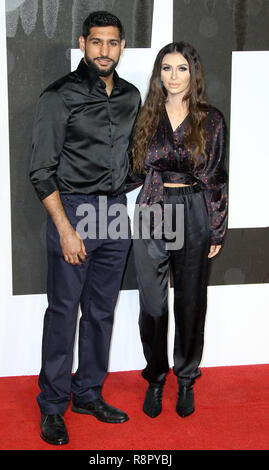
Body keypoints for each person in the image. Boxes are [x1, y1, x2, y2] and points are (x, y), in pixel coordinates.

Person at [29, 11, 141, 445]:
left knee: (101, 312)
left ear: (122, 46)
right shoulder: (58, 96)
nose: (104, 51)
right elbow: (41, 170)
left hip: (114, 213)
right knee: (63, 313)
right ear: (82, 43)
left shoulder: (131, 96)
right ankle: (52, 407)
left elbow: (131, 159)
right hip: (72, 211)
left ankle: (88, 393)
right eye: (96, 42)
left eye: (112, 43)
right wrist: (65, 227)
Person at [131, 42, 228, 418]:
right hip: (152, 209)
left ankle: (185, 379)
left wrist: (216, 228)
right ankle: (156, 378)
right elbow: (132, 170)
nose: (174, 77)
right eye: (167, 68)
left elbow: (217, 177)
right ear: (159, 74)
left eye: (182, 68)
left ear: (194, 73)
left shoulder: (212, 119)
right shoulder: (145, 116)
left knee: (190, 301)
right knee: (152, 305)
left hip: (194, 210)